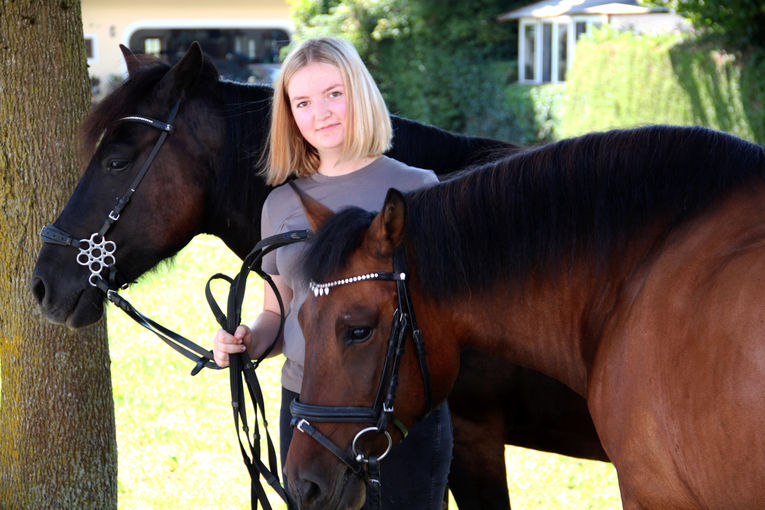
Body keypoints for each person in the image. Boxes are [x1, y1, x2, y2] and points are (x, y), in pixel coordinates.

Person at [212, 37, 452, 509]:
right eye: (302, 102)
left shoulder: (418, 190)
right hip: (308, 410)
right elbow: (276, 316)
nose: (319, 113)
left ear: (359, 94)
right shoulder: (280, 205)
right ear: (290, 115)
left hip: (396, 416)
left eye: (333, 94)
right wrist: (244, 340)